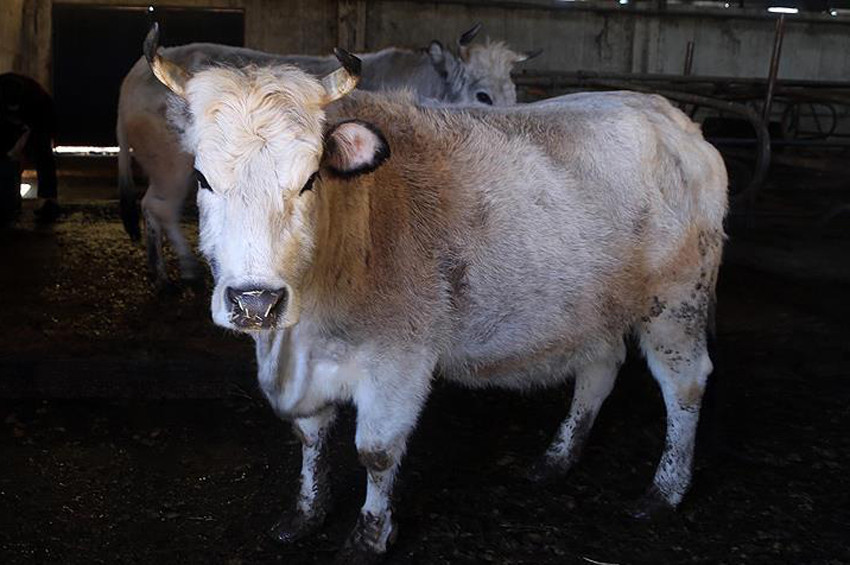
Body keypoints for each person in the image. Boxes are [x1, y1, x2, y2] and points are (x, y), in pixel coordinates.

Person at [0, 72, 60, 223]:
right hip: (9, 118)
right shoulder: (2, 93)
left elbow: (37, 131)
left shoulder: (38, 100)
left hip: (39, 118)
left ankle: (49, 200)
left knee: (43, 153)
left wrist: (22, 155)